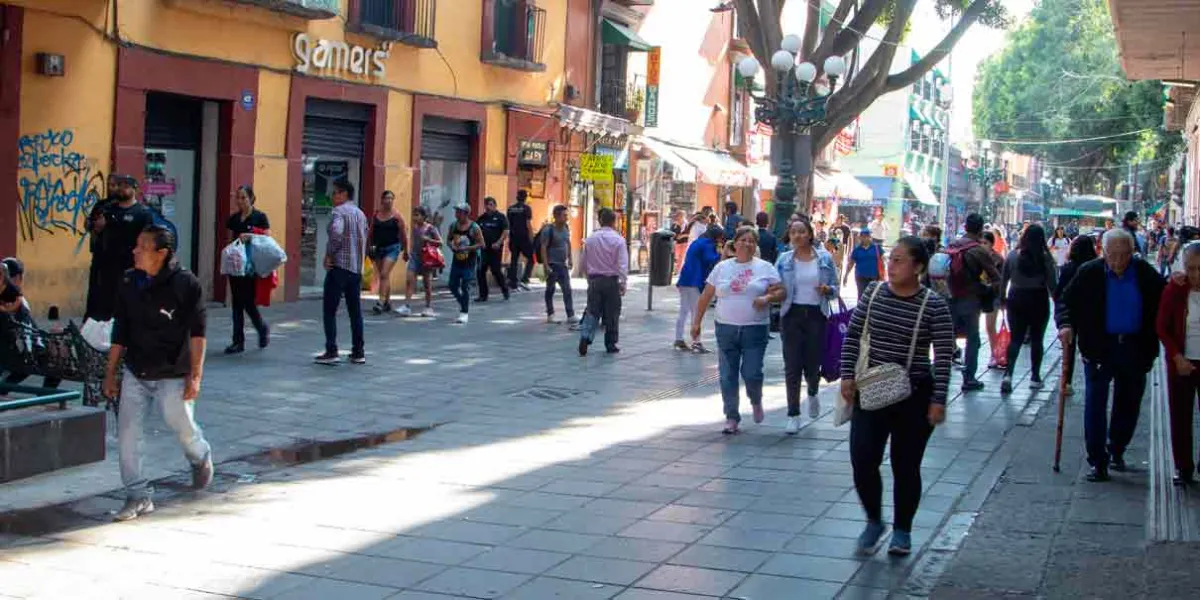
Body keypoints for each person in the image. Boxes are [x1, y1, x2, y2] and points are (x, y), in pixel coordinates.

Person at [840, 236, 954, 556]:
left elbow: (943, 356)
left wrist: (938, 400)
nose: (891, 266)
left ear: (918, 266)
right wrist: (847, 375)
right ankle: (874, 520)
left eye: (900, 260)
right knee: (863, 458)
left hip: (914, 395)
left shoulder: (933, 305)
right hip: (873, 388)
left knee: (906, 466)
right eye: (891, 259)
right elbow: (853, 337)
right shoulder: (874, 293)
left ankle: (902, 530)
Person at [102, 225, 213, 522]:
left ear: (161, 254)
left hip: (173, 372)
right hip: (136, 371)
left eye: (142, 246)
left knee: (181, 424)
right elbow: (120, 330)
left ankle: (199, 455)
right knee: (127, 433)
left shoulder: (186, 284)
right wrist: (110, 373)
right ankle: (138, 495)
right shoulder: (129, 280)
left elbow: (198, 333)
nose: (135, 251)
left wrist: (195, 375)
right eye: (136, 245)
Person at [1057, 228, 1165, 482]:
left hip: (1135, 348)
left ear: (1132, 253)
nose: (1118, 261)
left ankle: (1116, 448)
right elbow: (1065, 302)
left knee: (1128, 403)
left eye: (1123, 255)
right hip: (1098, 348)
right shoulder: (1090, 272)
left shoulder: (1143, 273)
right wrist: (1065, 324)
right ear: (1102, 252)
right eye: (1112, 255)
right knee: (1095, 404)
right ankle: (1097, 460)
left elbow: (1166, 296)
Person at [691, 226, 783, 434]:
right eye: (743, 240)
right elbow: (706, 296)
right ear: (734, 243)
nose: (747, 244)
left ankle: (756, 400)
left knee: (752, 373)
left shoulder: (765, 267)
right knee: (727, 375)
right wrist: (696, 323)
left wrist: (767, 298)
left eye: (751, 241)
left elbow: (781, 291)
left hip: (755, 328)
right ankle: (731, 416)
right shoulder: (722, 268)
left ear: (755, 245)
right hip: (726, 327)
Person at [775, 220, 839, 434]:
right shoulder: (784, 260)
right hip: (791, 315)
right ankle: (793, 414)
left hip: (816, 315)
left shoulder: (824, 258)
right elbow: (774, 285)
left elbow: (835, 289)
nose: (797, 236)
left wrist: (827, 289)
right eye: (793, 232)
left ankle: (812, 392)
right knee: (792, 366)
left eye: (802, 232)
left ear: (810, 234)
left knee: (812, 365)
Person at [1155, 242, 1200, 484]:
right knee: (1180, 416)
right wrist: (1176, 356)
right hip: (1181, 362)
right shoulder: (1176, 289)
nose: (1195, 275)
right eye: (1191, 268)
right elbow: (1162, 326)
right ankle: (1183, 467)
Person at [314, 178, 368, 365]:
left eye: (335, 192)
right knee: (355, 312)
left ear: (344, 194)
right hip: (355, 269)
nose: (332, 196)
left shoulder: (338, 212)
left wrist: (329, 254)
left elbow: (336, 233)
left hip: (339, 267)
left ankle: (331, 350)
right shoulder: (360, 214)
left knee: (330, 309)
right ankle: (358, 351)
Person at [946, 213, 1001, 392]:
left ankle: (940, 373)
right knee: (973, 339)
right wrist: (989, 291)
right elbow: (996, 277)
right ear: (980, 229)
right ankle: (969, 377)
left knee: (946, 337)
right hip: (970, 300)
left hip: (948, 297)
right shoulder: (978, 250)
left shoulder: (952, 245)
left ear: (965, 226)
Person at [999, 224, 1057, 393]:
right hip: (1038, 298)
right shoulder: (1045, 257)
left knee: (1016, 338)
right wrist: (1058, 301)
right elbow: (1052, 285)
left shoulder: (1012, 256)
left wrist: (1002, 298)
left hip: (1016, 297)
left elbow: (1004, 279)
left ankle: (1008, 375)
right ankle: (1035, 377)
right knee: (1037, 339)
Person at [89, 174, 153, 321]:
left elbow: (146, 240)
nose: (121, 189)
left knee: (127, 302)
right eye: (119, 186)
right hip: (106, 265)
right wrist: (97, 227)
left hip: (129, 265)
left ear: (134, 189)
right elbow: (93, 228)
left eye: (125, 186)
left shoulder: (142, 213)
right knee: (104, 303)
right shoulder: (107, 209)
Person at [0, 258, 62, 391]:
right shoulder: (16, 300)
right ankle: (46, 395)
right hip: (21, 355)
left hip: (15, 353)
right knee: (58, 353)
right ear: (18, 277)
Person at [223, 185, 271, 354]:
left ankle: (261, 327)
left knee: (248, 302)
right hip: (236, 265)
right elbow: (230, 241)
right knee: (236, 302)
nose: (240, 201)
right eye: (238, 197)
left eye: (243, 197)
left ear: (251, 198)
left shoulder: (260, 217)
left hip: (252, 265)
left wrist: (251, 236)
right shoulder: (234, 219)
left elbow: (267, 239)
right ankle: (238, 341)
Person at [578, 209, 628, 356]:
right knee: (612, 313)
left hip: (595, 279)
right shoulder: (618, 240)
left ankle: (586, 336)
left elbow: (584, 261)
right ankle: (611, 343)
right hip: (611, 281)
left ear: (600, 221)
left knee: (592, 311)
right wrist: (623, 282)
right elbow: (622, 264)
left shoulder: (591, 239)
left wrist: (588, 277)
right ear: (614, 222)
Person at [1054, 235, 1098, 397]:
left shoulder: (1068, 268)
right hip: (1089, 313)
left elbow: (1060, 294)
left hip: (1071, 313)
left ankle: (1066, 382)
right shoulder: (1095, 268)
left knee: (1069, 349)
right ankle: (1092, 379)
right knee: (1089, 347)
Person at [674, 226, 724, 352]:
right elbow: (710, 259)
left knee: (683, 311)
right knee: (696, 312)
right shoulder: (707, 244)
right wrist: (720, 253)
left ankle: (678, 339)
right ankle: (696, 342)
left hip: (685, 279)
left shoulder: (697, 242)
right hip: (695, 280)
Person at [85, 177, 121, 321]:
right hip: (99, 253)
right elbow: (89, 224)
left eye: (114, 185)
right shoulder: (101, 205)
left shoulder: (122, 209)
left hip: (115, 257)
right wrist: (92, 224)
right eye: (110, 185)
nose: (111, 188)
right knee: (95, 289)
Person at [366, 190, 407, 315]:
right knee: (384, 276)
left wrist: (406, 250)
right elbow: (371, 233)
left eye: (391, 198)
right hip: (378, 248)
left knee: (384, 273)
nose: (389, 200)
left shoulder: (397, 216)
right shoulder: (376, 215)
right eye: (386, 198)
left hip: (392, 247)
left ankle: (380, 302)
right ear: (382, 200)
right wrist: (369, 248)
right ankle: (387, 302)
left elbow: (403, 234)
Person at [397, 206, 442, 317]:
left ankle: (428, 307)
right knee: (410, 280)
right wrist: (407, 252)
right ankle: (407, 306)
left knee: (427, 283)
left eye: (417, 215)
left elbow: (440, 242)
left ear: (424, 216)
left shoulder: (430, 228)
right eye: (414, 215)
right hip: (414, 257)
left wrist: (428, 240)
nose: (415, 218)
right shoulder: (415, 227)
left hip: (427, 258)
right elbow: (411, 240)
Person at [447, 203, 485, 324]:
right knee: (452, 285)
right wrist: (451, 245)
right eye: (456, 211)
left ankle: (464, 312)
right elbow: (448, 239)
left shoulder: (474, 227)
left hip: (469, 262)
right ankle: (463, 301)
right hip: (457, 260)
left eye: (459, 212)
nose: (456, 214)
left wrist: (467, 248)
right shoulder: (453, 226)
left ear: (466, 214)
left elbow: (482, 244)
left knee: (465, 286)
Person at [541, 205, 575, 324]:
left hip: (562, 264)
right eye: (564, 215)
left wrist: (570, 258)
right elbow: (543, 247)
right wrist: (546, 265)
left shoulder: (566, 228)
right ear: (556, 216)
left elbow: (568, 242)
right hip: (552, 264)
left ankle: (570, 315)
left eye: (567, 215)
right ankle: (550, 314)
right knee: (550, 289)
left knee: (567, 289)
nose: (566, 217)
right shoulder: (548, 230)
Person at [475, 196, 509, 302]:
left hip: (495, 249)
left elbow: (506, 231)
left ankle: (505, 290)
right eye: (486, 205)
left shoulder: (501, 217)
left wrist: (499, 242)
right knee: (480, 271)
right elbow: (476, 231)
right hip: (484, 249)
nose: (488, 207)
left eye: (490, 205)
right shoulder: (482, 218)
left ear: (495, 205)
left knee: (496, 271)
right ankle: (483, 295)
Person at [980, 232, 1005, 368]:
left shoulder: (998, 259)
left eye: (985, 243)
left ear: (991, 244)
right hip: (978, 293)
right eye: (981, 243)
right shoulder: (976, 256)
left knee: (990, 326)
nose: (983, 246)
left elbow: (1002, 279)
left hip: (993, 295)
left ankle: (994, 354)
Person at [507, 189, 535, 290]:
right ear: (525, 197)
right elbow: (528, 224)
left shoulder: (510, 209)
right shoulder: (527, 208)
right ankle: (524, 279)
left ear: (517, 197)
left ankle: (513, 282)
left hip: (513, 237)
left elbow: (508, 225)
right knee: (531, 259)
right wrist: (532, 238)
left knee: (514, 259)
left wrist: (509, 238)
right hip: (524, 237)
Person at [843, 228, 883, 299]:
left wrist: (883, 276)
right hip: (861, 278)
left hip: (874, 278)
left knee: (873, 298)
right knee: (861, 297)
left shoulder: (877, 248)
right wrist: (846, 275)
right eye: (863, 236)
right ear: (860, 237)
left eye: (868, 236)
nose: (866, 238)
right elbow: (851, 263)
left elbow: (882, 262)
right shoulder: (856, 250)